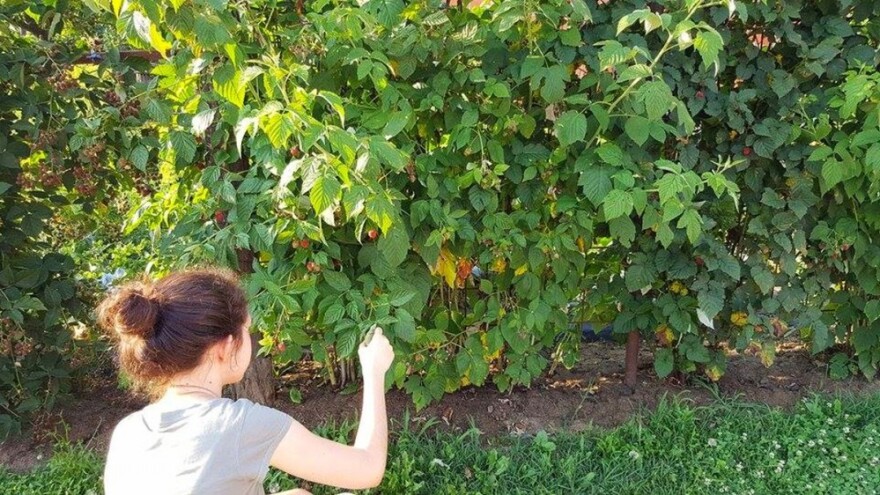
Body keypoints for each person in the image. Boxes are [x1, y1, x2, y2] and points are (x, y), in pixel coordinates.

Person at [97, 268, 394, 495]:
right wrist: (374, 371)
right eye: (247, 331)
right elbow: (367, 469)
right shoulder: (240, 425)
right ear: (225, 347)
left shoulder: (128, 431)